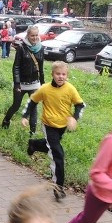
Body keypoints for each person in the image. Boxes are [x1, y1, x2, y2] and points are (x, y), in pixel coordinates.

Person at [23, 61, 85, 201]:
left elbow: (80, 105)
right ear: (52, 74)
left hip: (62, 126)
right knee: (58, 155)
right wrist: (25, 116)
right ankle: (58, 188)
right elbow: (32, 101)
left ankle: (34, 144)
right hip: (48, 125)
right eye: (58, 74)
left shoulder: (70, 89)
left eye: (63, 74)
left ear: (67, 76)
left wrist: (75, 118)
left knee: (51, 146)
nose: (61, 77)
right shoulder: (45, 89)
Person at [1, 26, 44, 130]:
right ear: (28, 36)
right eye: (32, 35)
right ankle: (6, 121)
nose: (34, 38)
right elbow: (16, 66)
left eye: (36, 35)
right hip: (21, 83)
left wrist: (43, 83)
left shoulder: (41, 48)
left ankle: (32, 132)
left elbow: (41, 67)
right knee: (16, 105)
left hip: (34, 83)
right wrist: (17, 83)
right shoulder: (21, 47)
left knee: (33, 108)